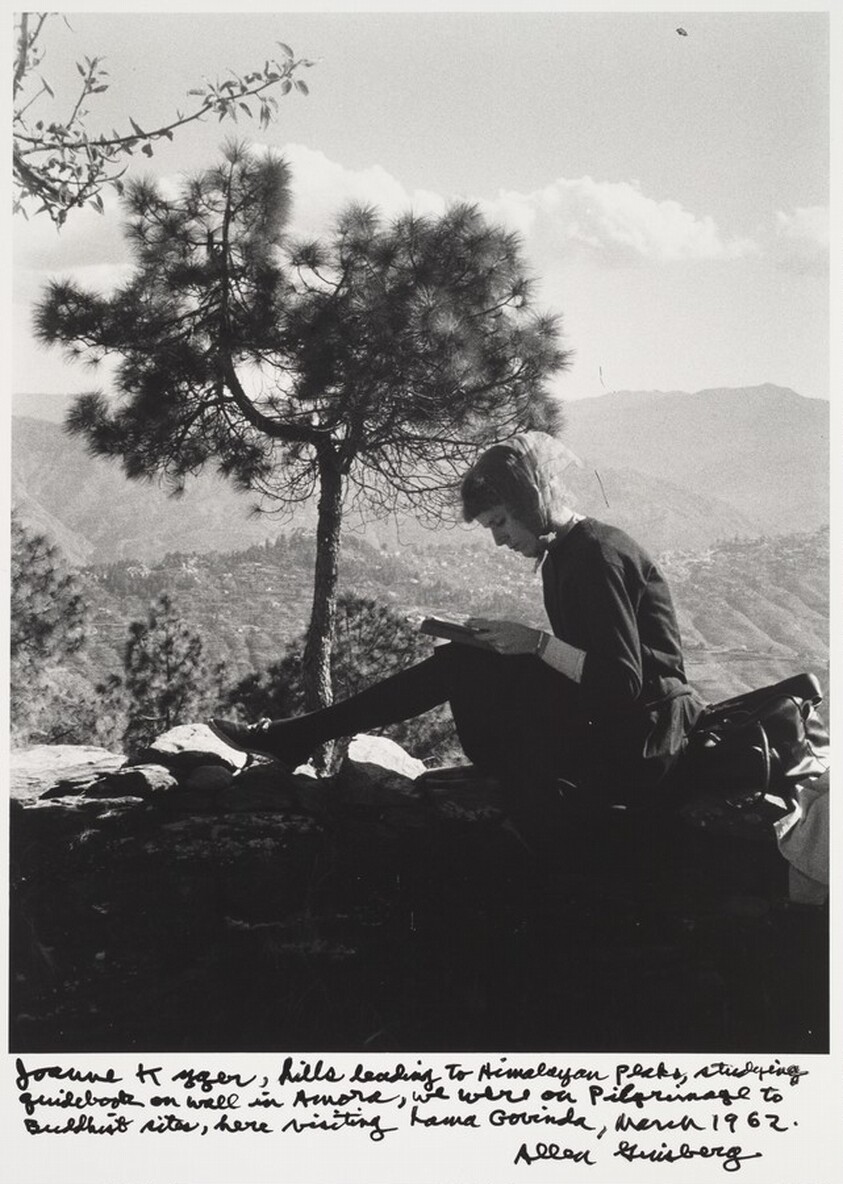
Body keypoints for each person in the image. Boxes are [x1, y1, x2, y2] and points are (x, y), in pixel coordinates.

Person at [210, 431, 706, 836]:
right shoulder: (564, 554)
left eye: (500, 521)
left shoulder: (596, 555)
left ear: (529, 504)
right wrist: (510, 645)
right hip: (619, 726)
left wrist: (533, 644)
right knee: (466, 660)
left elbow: (623, 683)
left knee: (462, 666)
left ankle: (298, 735)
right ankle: (301, 734)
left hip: (644, 740)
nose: (499, 538)